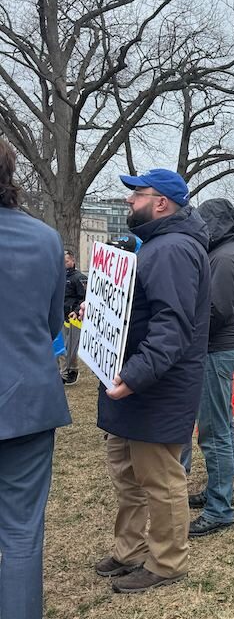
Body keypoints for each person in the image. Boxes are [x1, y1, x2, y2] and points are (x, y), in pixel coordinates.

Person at [96, 168, 210, 594]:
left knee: (159, 479)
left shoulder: (172, 250)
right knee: (129, 474)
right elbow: (140, 311)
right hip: (136, 384)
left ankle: (167, 561)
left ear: (161, 202)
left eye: (136, 193)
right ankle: (130, 549)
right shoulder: (156, 246)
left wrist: (135, 374)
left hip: (155, 386)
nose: (129, 200)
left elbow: (172, 325)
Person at [0, 139, 71, 618]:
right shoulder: (46, 239)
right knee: (22, 533)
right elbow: (50, 325)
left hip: (25, 400)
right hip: (25, 397)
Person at [187, 198, 234, 538]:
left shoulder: (224, 257)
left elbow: (216, 310)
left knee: (214, 432)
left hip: (214, 350)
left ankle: (220, 508)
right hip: (217, 349)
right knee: (221, 425)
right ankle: (217, 489)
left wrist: (187, 334)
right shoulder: (225, 251)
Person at [60, 249, 87, 385]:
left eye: (67, 261)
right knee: (62, 346)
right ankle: (64, 372)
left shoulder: (79, 277)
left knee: (71, 347)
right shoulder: (60, 277)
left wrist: (76, 311)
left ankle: (73, 371)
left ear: (73, 261)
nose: (64, 264)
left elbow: (84, 297)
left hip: (74, 317)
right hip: (61, 316)